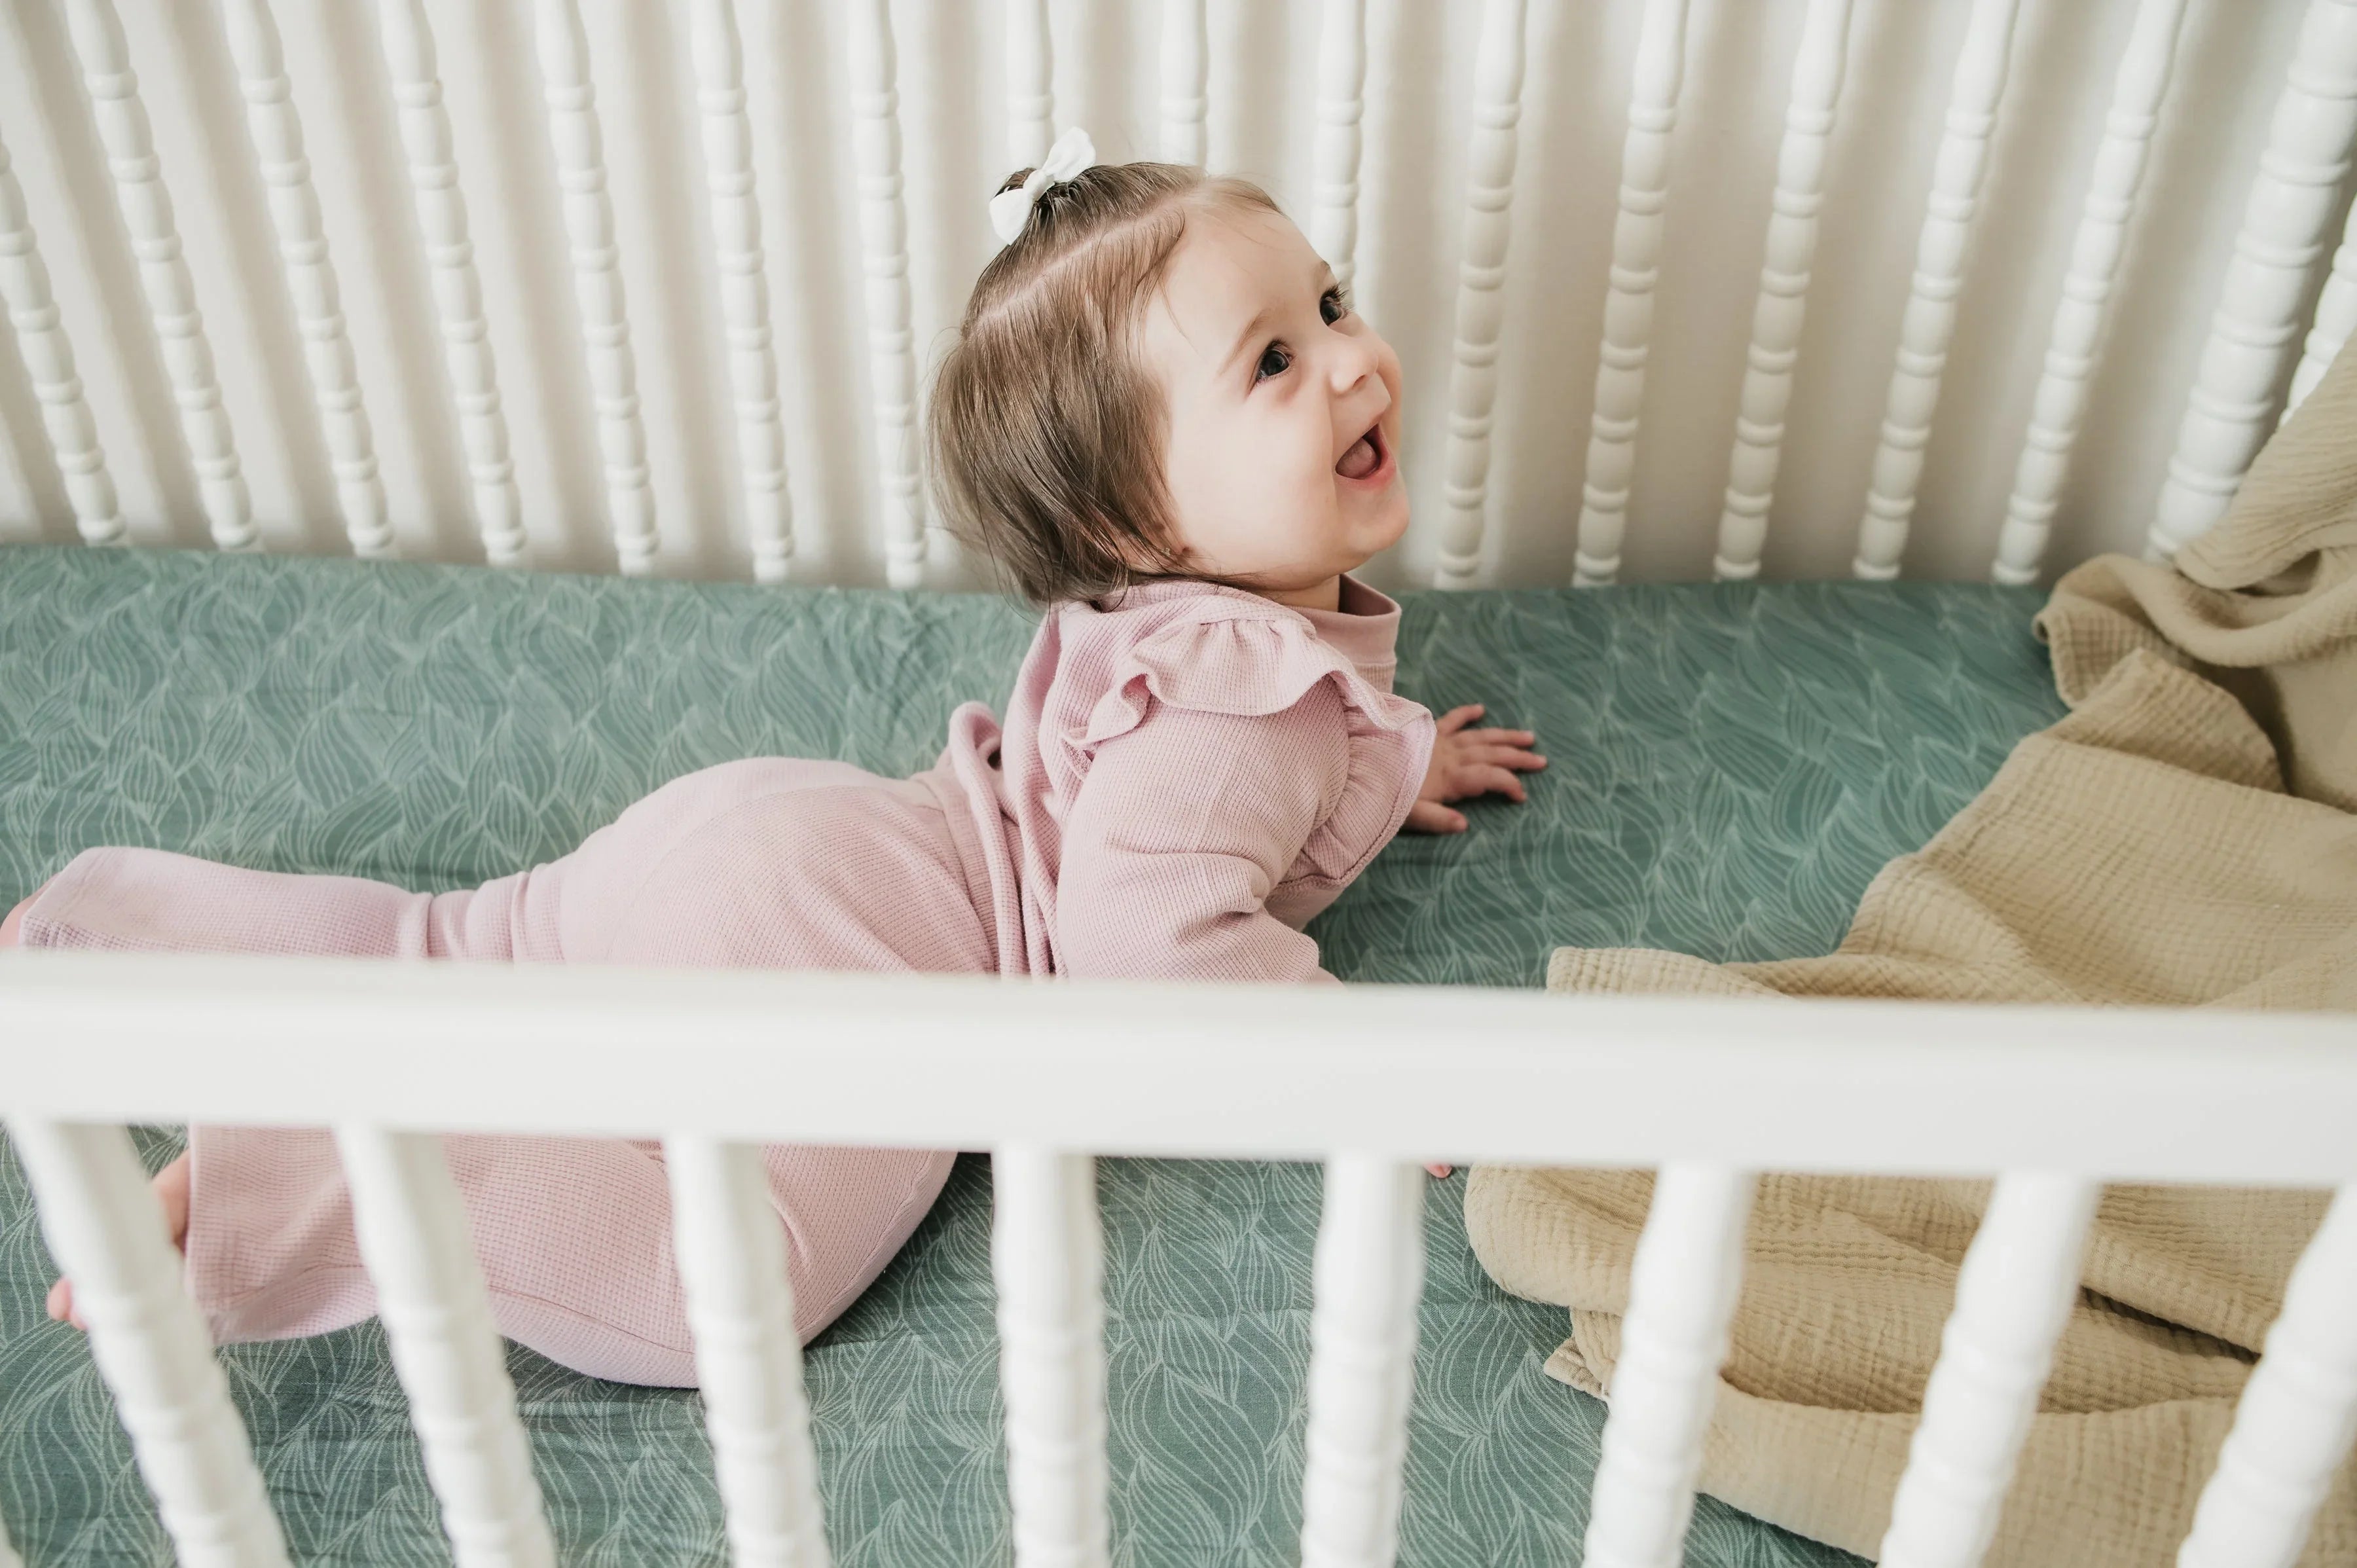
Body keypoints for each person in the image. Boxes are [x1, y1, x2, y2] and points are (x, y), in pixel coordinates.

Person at [5, 131, 1545, 1385]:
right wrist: (1358, 1070)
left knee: (460, 945)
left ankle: (99, 951)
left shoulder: (1197, 631)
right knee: (720, 1289)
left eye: (1330, 307)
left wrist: (1389, 771)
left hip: (787, 827)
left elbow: (1187, 803)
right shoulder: (1241, 700)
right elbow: (1144, 936)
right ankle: (333, 1172)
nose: (1352, 364)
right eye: (1274, 363)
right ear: (1141, 528)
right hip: (886, 960)